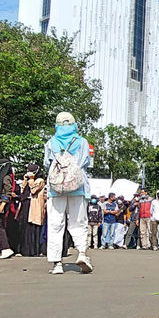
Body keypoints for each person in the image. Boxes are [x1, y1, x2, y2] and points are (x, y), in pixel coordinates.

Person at [42, 111, 92, 274]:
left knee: (55, 224)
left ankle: (57, 263)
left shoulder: (51, 143)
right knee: (78, 222)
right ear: (74, 124)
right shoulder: (82, 142)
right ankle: (82, 253)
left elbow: (47, 164)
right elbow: (85, 162)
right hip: (78, 187)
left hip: (56, 190)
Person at [19, 164, 46, 257]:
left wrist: (31, 179)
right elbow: (23, 190)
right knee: (26, 228)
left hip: (35, 207)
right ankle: (25, 249)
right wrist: (25, 180)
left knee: (34, 229)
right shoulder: (28, 180)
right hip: (26, 206)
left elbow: (33, 190)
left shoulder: (40, 181)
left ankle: (35, 250)